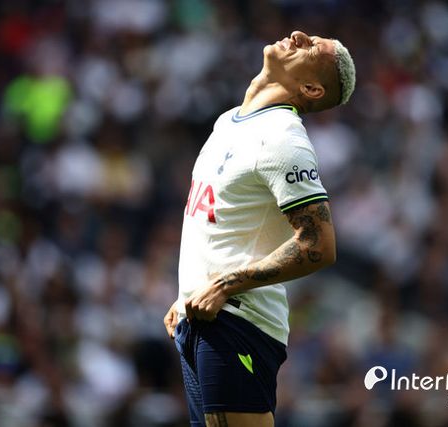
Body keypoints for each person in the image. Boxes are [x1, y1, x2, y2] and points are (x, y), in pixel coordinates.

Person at [163, 30, 355, 427]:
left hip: (238, 321)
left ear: (311, 89)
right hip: (203, 316)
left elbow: (318, 244)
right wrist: (187, 293)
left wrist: (224, 285)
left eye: (312, 47)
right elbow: (219, 219)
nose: (298, 35)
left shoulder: (283, 140)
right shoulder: (229, 122)